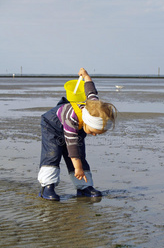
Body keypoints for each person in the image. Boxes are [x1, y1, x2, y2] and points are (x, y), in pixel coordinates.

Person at [38, 68, 117, 201]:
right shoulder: (72, 118)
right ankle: (47, 187)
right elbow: (72, 148)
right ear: (87, 121)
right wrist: (78, 168)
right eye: (92, 132)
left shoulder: (93, 105)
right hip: (52, 127)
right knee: (53, 154)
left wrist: (86, 76)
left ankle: (84, 187)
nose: (94, 135)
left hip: (75, 130)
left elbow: (91, 91)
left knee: (80, 155)